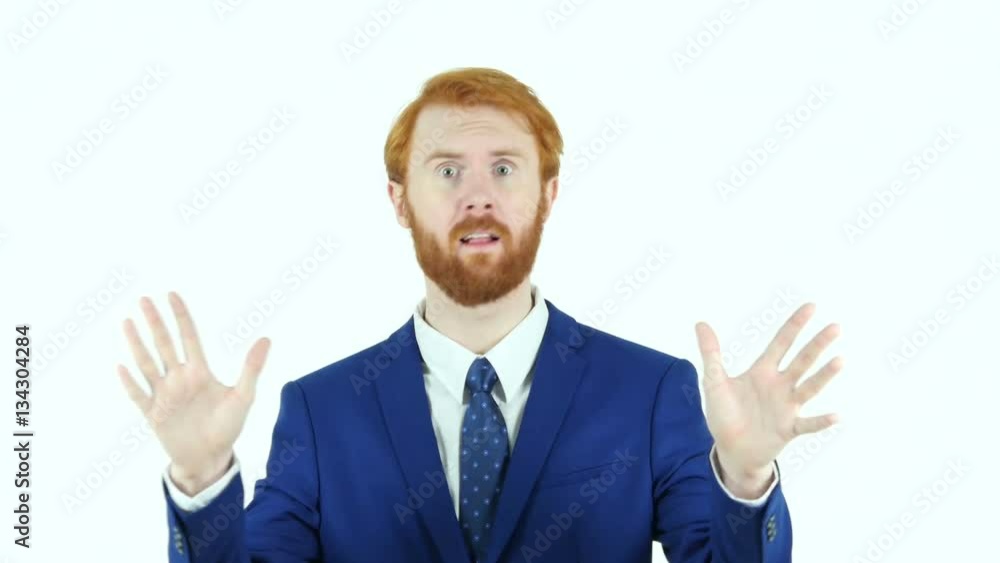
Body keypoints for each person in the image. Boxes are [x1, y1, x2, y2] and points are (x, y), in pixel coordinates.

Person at [117, 67, 842, 563]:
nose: (477, 195)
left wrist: (746, 477)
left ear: (547, 195)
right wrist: (202, 480)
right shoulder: (321, 410)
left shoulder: (649, 391)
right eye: (446, 170)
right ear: (400, 201)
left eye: (503, 167)